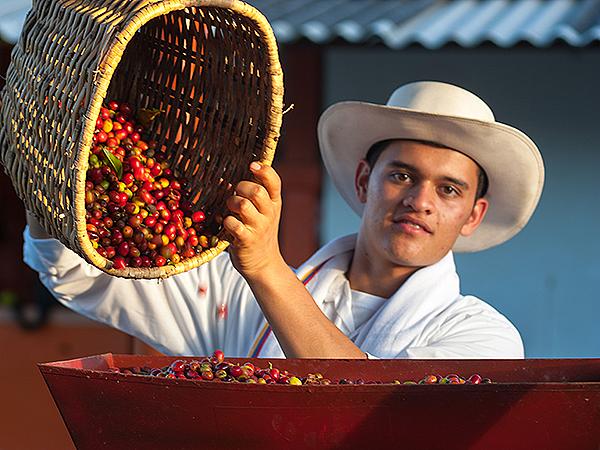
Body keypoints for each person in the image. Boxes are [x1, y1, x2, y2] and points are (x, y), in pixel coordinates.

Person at [24, 80, 544, 359]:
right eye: (402, 175)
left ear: (473, 215)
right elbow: (79, 272)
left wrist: (268, 267)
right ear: (365, 181)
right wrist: (46, 176)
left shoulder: (484, 339)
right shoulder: (240, 301)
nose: (420, 201)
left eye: (448, 189)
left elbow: (372, 413)